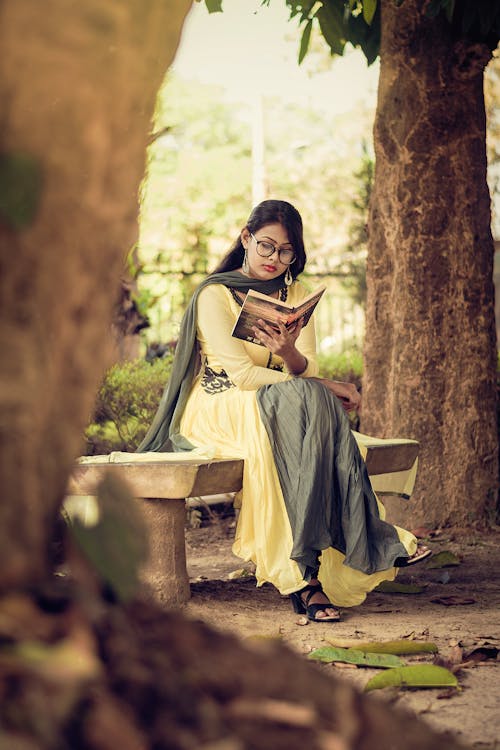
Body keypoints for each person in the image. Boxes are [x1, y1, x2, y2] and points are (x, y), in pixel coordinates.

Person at [138, 199, 430, 622]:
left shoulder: (294, 296)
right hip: (219, 404)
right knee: (303, 405)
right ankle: (311, 574)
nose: (275, 258)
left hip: (280, 399)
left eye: (287, 250)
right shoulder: (215, 295)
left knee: (304, 403)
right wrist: (323, 385)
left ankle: (319, 561)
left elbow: (305, 368)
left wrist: (289, 351)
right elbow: (239, 375)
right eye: (267, 247)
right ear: (246, 239)